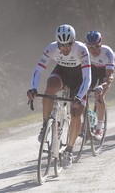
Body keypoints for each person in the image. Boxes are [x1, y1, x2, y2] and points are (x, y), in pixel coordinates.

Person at [27, 24, 91, 168]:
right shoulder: (51, 48)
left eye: (68, 45)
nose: (65, 48)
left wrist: (80, 97)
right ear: (57, 43)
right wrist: (33, 88)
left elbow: (87, 77)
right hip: (61, 73)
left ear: (73, 41)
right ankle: (45, 124)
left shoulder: (81, 49)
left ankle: (69, 149)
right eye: (61, 45)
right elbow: (38, 70)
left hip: (79, 80)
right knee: (50, 88)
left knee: (76, 114)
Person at [84, 30, 115, 140]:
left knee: (100, 96)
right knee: (83, 93)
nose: (93, 50)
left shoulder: (108, 53)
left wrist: (102, 86)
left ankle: (99, 127)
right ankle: (85, 121)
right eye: (90, 47)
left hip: (104, 72)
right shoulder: (84, 51)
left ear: (100, 44)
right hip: (92, 70)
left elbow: (110, 77)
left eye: (96, 47)